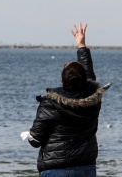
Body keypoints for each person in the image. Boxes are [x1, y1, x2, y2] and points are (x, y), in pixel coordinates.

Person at [22, 22, 105, 177]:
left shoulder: (50, 103)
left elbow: (35, 140)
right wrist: (81, 45)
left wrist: (29, 135)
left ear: (61, 80)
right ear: (83, 80)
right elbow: (89, 76)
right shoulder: (93, 97)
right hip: (86, 168)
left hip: (56, 169)